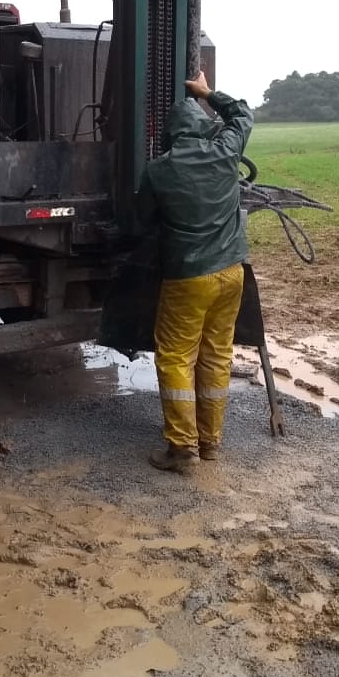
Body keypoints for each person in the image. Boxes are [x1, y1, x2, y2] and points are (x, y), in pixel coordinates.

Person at [136, 71, 254, 472]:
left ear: (170, 135)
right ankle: (211, 443)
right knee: (217, 356)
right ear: (203, 127)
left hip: (188, 277)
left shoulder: (159, 170)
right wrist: (206, 93)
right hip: (231, 272)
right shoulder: (224, 151)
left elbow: (141, 223)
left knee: (175, 357)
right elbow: (243, 116)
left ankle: (181, 447)